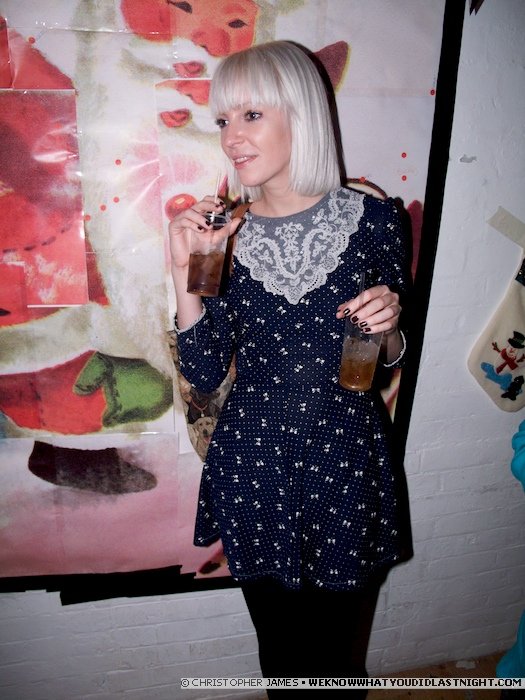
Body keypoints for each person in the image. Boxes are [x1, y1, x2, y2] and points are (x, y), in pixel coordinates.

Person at [169, 40, 411, 694]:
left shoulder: (374, 220)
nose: (231, 138)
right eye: (223, 120)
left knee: (335, 659)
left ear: (300, 114)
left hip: (345, 456)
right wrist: (183, 269)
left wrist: (388, 330)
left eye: (251, 115)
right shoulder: (223, 232)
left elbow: (384, 364)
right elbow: (204, 369)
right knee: (281, 656)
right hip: (253, 463)